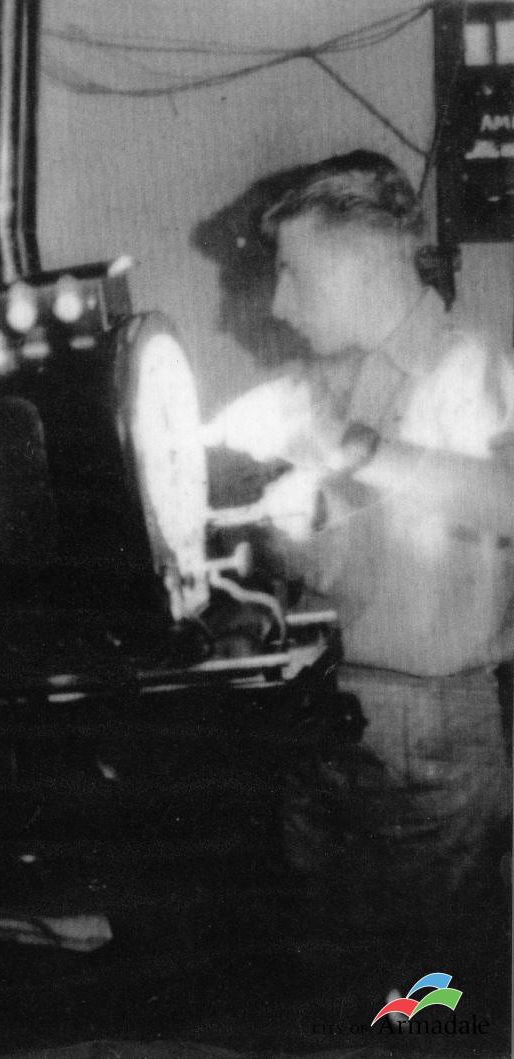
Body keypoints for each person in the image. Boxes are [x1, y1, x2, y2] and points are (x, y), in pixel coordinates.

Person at [206, 151, 513, 927]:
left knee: (428, 988)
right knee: (335, 964)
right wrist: (278, 539)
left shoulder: (471, 369)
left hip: (431, 729)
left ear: (365, 265)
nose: (276, 303)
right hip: (323, 713)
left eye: (292, 272)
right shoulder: (319, 382)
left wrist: (367, 454)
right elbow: (331, 563)